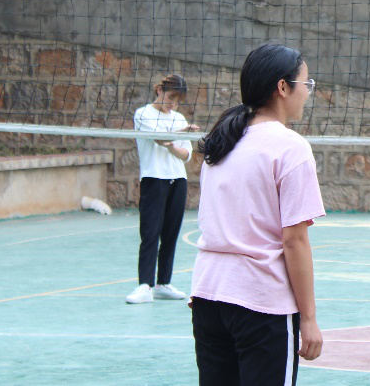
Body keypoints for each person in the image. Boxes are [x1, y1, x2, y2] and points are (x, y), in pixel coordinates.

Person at [191, 43, 324, 385]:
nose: (308, 93)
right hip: (260, 301)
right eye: (306, 84)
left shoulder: (221, 140)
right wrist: (308, 318)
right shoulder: (291, 147)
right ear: (283, 87)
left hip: (208, 295)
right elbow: (294, 241)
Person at [126, 73, 201, 305]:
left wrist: (173, 145)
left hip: (177, 180)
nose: (173, 104)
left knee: (171, 234)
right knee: (150, 234)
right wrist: (180, 134)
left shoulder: (179, 119)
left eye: (178, 100)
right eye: (171, 97)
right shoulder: (143, 114)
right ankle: (144, 285)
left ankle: (163, 284)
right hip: (154, 179)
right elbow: (158, 138)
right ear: (159, 90)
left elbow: (185, 154)